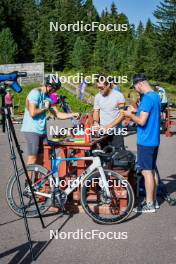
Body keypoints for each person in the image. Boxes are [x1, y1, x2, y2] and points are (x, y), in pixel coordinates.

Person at [21, 76, 79, 166]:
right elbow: (32, 113)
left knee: (41, 159)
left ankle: (38, 180)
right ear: (49, 86)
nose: (55, 92)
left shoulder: (47, 97)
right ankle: (28, 180)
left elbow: (58, 114)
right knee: (33, 159)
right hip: (31, 130)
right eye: (55, 89)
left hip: (42, 131)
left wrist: (73, 114)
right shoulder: (35, 93)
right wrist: (45, 108)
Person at [124, 73, 161, 213]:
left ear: (140, 84)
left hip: (146, 140)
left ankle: (150, 204)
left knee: (146, 173)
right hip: (154, 139)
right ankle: (154, 201)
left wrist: (130, 115)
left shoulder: (146, 99)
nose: (135, 90)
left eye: (134, 87)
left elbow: (141, 121)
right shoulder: (155, 96)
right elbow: (147, 114)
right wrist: (136, 110)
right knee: (151, 171)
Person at [93, 75, 125, 149]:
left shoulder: (119, 96)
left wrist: (109, 126)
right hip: (103, 133)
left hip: (116, 133)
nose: (99, 90)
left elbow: (122, 114)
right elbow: (96, 111)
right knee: (104, 156)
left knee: (118, 157)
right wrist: (95, 122)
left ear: (108, 85)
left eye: (101, 88)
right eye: (98, 87)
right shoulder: (97, 96)